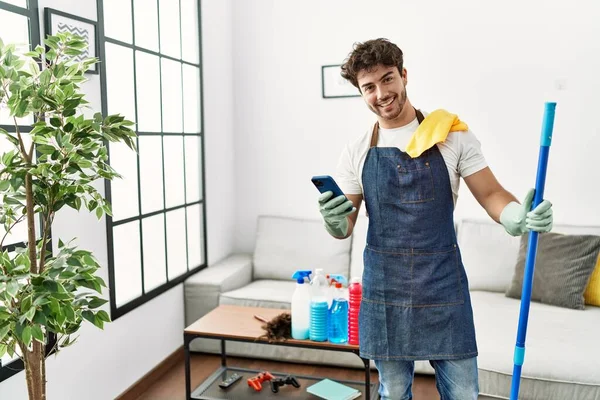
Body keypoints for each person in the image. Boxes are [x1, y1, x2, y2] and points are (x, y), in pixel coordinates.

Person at [317, 38, 554, 400]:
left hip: (442, 283)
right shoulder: (358, 150)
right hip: (385, 288)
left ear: (404, 75)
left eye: (388, 78)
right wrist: (334, 222)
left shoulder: (451, 135)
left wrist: (516, 216)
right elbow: (344, 222)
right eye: (369, 86)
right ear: (361, 92)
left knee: (463, 392)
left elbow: (491, 194)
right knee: (393, 391)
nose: (381, 93)